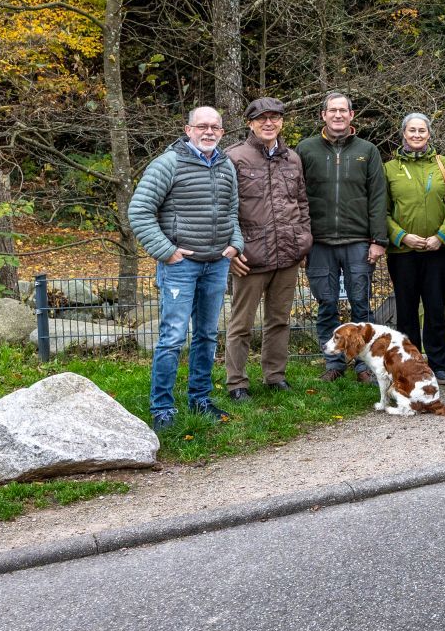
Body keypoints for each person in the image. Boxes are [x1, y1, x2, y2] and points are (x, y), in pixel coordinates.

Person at [128, 106, 242, 432]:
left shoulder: (225, 164)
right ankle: (162, 407)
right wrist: (166, 252)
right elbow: (139, 211)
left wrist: (235, 243)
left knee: (207, 335)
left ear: (222, 131)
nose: (208, 132)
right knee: (172, 338)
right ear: (188, 129)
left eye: (215, 127)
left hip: (217, 264)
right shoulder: (169, 163)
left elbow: (233, 209)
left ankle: (200, 399)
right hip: (180, 266)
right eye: (202, 126)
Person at [295, 92, 388, 381]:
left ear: (351, 115)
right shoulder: (306, 149)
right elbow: (296, 196)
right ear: (323, 115)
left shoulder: (367, 150)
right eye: (332, 110)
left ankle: (364, 365)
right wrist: (301, 241)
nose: (337, 115)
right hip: (319, 242)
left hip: (358, 241)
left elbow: (377, 197)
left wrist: (378, 240)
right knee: (326, 303)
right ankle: (333, 363)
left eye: (343, 111)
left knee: (361, 304)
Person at [223, 97, 312, 402]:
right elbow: (223, 209)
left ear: (282, 122)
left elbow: (301, 203)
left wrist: (303, 241)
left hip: (287, 255)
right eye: (262, 119)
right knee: (241, 324)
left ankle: (275, 376)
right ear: (251, 123)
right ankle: (237, 383)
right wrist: (232, 250)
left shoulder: (293, 158)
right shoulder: (234, 158)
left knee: (279, 320)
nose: (269, 123)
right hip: (250, 258)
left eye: (274, 117)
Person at [384, 112, 445, 383]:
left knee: (435, 308)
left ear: (429, 134)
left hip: (436, 252)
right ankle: (411, 366)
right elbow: (381, 211)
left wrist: (441, 236)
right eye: (412, 131)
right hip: (403, 253)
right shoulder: (390, 169)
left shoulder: (444, 165)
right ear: (403, 134)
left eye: (422, 131)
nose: (417, 135)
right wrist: (401, 236)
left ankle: (438, 365)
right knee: (406, 311)